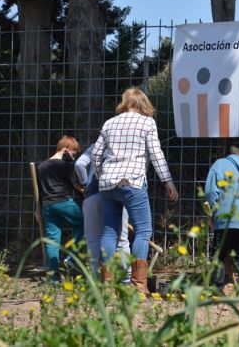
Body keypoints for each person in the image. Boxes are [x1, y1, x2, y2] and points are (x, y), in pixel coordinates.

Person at [93, 87, 178, 293]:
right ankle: (138, 285)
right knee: (143, 231)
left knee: (109, 232)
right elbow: (156, 154)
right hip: (133, 181)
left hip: (108, 184)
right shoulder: (147, 122)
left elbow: (96, 153)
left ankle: (106, 285)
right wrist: (168, 182)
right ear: (143, 104)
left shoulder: (109, 123)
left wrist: (100, 175)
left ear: (125, 103)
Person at [205, 143, 239, 296]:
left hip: (226, 216)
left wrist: (213, 212)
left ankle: (217, 290)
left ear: (229, 154)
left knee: (218, 255)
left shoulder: (220, 164)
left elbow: (211, 190)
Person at [75, 146, 131, 281]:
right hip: (117, 194)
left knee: (93, 238)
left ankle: (96, 278)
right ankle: (125, 278)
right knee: (121, 239)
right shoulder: (127, 147)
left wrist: (84, 183)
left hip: (92, 195)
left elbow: (79, 164)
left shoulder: (95, 147)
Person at [37, 135, 84, 281]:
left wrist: (37, 209)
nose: (73, 158)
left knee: (52, 240)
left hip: (47, 206)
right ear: (66, 149)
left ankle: (54, 278)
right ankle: (70, 258)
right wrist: (85, 193)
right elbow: (75, 185)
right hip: (64, 202)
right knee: (86, 224)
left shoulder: (41, 166)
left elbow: (39, 189)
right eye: (73, 154)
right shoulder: (66, 165)